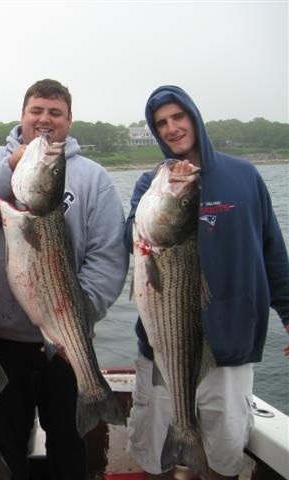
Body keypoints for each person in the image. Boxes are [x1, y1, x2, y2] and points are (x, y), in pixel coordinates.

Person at [0, 79, 129, 479]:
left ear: (69, 120)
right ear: (22, 115)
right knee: (6, 445)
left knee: (69, 450)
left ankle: (94, 398)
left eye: (55, 112)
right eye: (37, 110)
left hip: (68, 341)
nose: (45, 119)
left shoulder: (94, 178)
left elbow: (107, 258)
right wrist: (9, 169)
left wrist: (78, 316)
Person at [124, 85, 289, 480]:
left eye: (178, 117)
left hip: (231, 344)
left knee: (225, 458)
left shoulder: (244, 176)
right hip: (163, 346)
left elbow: (273, 251)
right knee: (153, 456)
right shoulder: (150, 184)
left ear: (194, 117)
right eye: (161, 123)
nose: (171, 128)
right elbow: (131, 237)